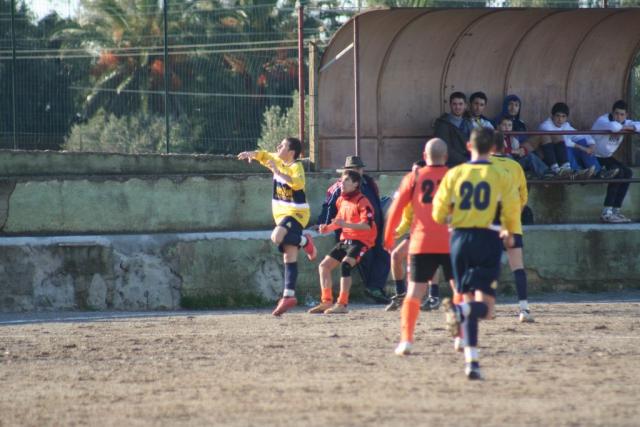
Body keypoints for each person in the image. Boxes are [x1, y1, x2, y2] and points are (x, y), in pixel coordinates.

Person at [433, 127, 520, 380]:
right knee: (486, 309)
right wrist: (510, 233)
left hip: (459, 239)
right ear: (492, 148)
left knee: (468, 299)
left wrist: (452, 219)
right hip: (487, 237)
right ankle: (460, 314)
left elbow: (438, 213)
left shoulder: (455, 173)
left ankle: (472, 362)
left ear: (468, 147)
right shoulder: (501, 174)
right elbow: (512, 208)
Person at [384, 139, 455, 355]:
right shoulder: (455, 176)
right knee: (460, 290)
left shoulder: (414, 177)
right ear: (446, 156)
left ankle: (406, 340)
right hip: (452, 240)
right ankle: (462, 338)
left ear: (425, 156)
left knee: (414, 292)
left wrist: (388, 236)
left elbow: (396, 208)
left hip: (422, 241)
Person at [237, 137, 317, 316]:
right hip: (281, 216)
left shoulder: (296, 166)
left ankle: (305, 241)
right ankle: (288, 295)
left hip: (296, 213)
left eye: (282, 145)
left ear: (291, 152)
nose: (278, 146)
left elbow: (298, 184)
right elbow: (264, 155)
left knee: (276, 236)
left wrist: (277, 172)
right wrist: (251, 154)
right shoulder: (277, 159)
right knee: (289, 255)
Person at [317, 156, 391, 304]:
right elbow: (331, 209)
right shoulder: (339, 191)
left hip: (372, 233)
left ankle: (374, 289)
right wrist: (325, 225)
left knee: (383, 256)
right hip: (352, 237)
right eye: (353, 169)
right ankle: (330, 301)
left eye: (359, 168)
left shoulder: (368, 185)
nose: (357, 171)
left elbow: (372, 210)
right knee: (355, 262)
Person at [309, 170, 377, 314]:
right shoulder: (341, 200)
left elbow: (367, 225)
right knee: (324, 266)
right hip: (346, 240)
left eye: (346, 180)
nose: (342, 183)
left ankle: (342, 304)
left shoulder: (362, 201)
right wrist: (326, 228)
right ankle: (326, 302)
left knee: (345, 265)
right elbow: (338, 222)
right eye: (341, 180)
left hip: (361, 241)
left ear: (356, 184)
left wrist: (345, 224)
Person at [491, 132, 534, 322]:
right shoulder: (515, 166)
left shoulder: (484, 166)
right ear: (504, 146)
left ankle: (489, 307)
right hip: (512, 222)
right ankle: (524, 309)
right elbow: (524, 196)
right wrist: (516, 212)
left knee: (490, 266)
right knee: (518, 266)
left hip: (490, 224)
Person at [592, 100, 640, 223]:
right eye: (616, 114)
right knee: (618, 173)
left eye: (622, 114)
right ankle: (606, 212)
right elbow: (614, 127)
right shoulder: (603, 120)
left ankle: (615, 210)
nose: (618, 117)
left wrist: (628, 126)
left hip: (606, 157)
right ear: (612, 113)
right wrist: (629, 127)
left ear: (626, 115)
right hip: (593, 156)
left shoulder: (625, 122)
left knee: (628, 173)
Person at [538, 102, 609, 180]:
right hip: (553, 159)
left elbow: (579, 135)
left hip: (565, 158)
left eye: (563, 116)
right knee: (567, 147)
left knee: (583, 142)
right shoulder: (546, 126)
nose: (560, 119)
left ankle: (598, 172)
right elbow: (563, 141)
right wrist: (582, 148)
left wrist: (591, 144)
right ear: (552, 116)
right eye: (557, 116)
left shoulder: (565, 125)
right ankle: (576, 173)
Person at [496, 115, 555, 180]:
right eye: (504, 125)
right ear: (498, 126)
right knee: (507, 155)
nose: (507, 127)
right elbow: (498, 151)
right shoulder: (495, 136)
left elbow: (519, 150)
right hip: (502, 164)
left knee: (530, 156)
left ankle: (546, 173)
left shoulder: (512, 137)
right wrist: (514, 151)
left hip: (515, 163)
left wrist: (522, 151)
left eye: (509, 125)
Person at [434, 92, 473, 167]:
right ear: (450, 105)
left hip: (469, 163)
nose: (457, 107)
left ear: (465, 106)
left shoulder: (468, 123)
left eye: (460, 104)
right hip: (451, 165)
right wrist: (466, 160)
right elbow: (446, 148)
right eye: (454, 104)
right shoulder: (443, 123)